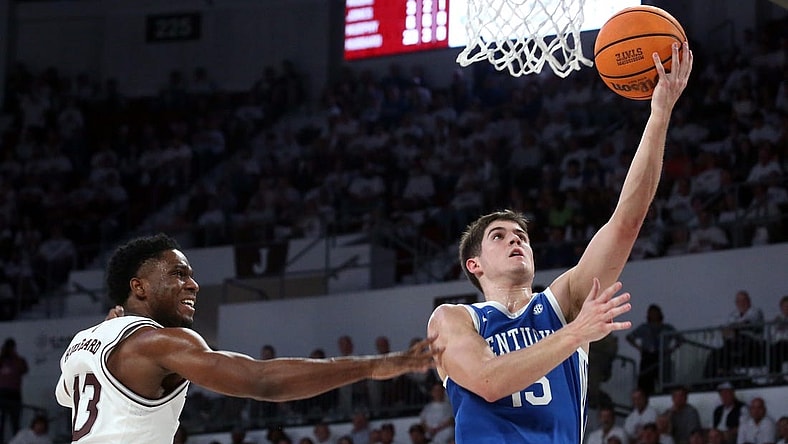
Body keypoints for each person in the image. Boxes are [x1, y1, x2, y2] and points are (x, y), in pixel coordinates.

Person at [426, 41, 693, 443]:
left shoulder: (561, 303)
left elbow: (626, 221)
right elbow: (488, 380)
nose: (515, 241)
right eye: (499, 237)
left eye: (521, 236)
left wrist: (659, 114)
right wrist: (576, 334)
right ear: (474, 264)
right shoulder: (455, 320)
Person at [55, 234, 436, 443]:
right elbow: (262, 380)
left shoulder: (83, 342)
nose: (193, 283)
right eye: (178, 274)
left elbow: (66, 395)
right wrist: (376, 365)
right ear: (139, 287)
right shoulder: (162, 343)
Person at [626, 304, 680, 396]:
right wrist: (639, 348)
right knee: (645, 380)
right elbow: (629, 337)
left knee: (664, 379)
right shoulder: (644, 327)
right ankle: (644, 397)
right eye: (651, 313)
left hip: (662, 356)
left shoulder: (666, 328)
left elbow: (680, 339)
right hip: (648, 356)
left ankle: (665, 395)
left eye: (655, 313)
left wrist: (671, 349)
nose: (653, 315)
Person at [0, 338, 29, 441]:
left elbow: (24, 369)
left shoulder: (18, 360)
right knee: (1, 421)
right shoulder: (1, 360)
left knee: (15, 421)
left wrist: (14, 356)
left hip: (14, 393)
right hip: (2, 393)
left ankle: (17, 441)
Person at [768, 296, 788, 377]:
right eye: (785, 306)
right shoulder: (777, 320)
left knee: (779, 347)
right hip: (778, 344)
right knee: (773, 349)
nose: (786, 309)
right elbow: (773, 334)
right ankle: (774, 375)